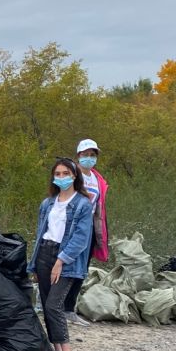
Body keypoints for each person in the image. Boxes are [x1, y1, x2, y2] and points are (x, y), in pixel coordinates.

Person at [29, 158, 93, 351]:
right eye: (58, 173)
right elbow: (40, 233)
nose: (62, 177)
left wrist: (60, 261)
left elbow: (81, 238)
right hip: (44, 254)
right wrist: (35, 262)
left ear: (75, 176)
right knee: (46, 307)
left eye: (66, 173)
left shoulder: (83, 204)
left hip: (66, 259)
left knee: (54, 305)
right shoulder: (48, 203)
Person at [64, 138, 110, 327]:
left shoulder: (97, 179)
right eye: (85, 155)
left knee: (81, 269)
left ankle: (69, 308)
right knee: (64, 263)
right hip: (70, 226)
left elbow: (99, 206)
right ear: (78, 156)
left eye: (92, 155)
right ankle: (54, 306)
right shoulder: (71, 175)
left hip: (89, 227)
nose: (89, 158)